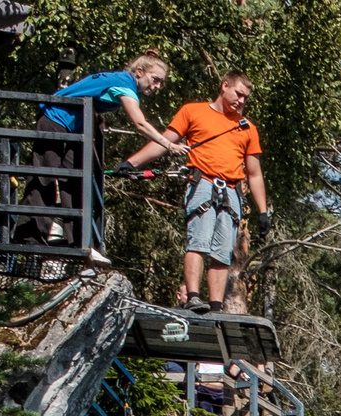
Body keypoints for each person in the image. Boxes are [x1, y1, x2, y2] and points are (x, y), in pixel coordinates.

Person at [123, 73, 272, 311]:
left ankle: (215, 306)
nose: (241, 101)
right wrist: (132, 163)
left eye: (246, 98)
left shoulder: (247, 128)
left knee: (222, 252)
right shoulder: (193, 112)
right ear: (224, 86)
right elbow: (164, 142)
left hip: (231, 191)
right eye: (238, 94)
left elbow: (254, 173)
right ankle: (193, 296)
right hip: (203, 183)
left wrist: (262, 211)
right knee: (199, 242)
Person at [24, 54, 180, 264]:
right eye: (155, 79)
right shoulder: (124, 83)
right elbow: (140, 123)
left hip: (74, 129)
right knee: (45, 177)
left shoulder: (120, 82)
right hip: (54, 119)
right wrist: (168, 145)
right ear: (140, 72)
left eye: (161, 82)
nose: (157, 86)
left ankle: (81, 242)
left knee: (78, 181)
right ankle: (29, 236)